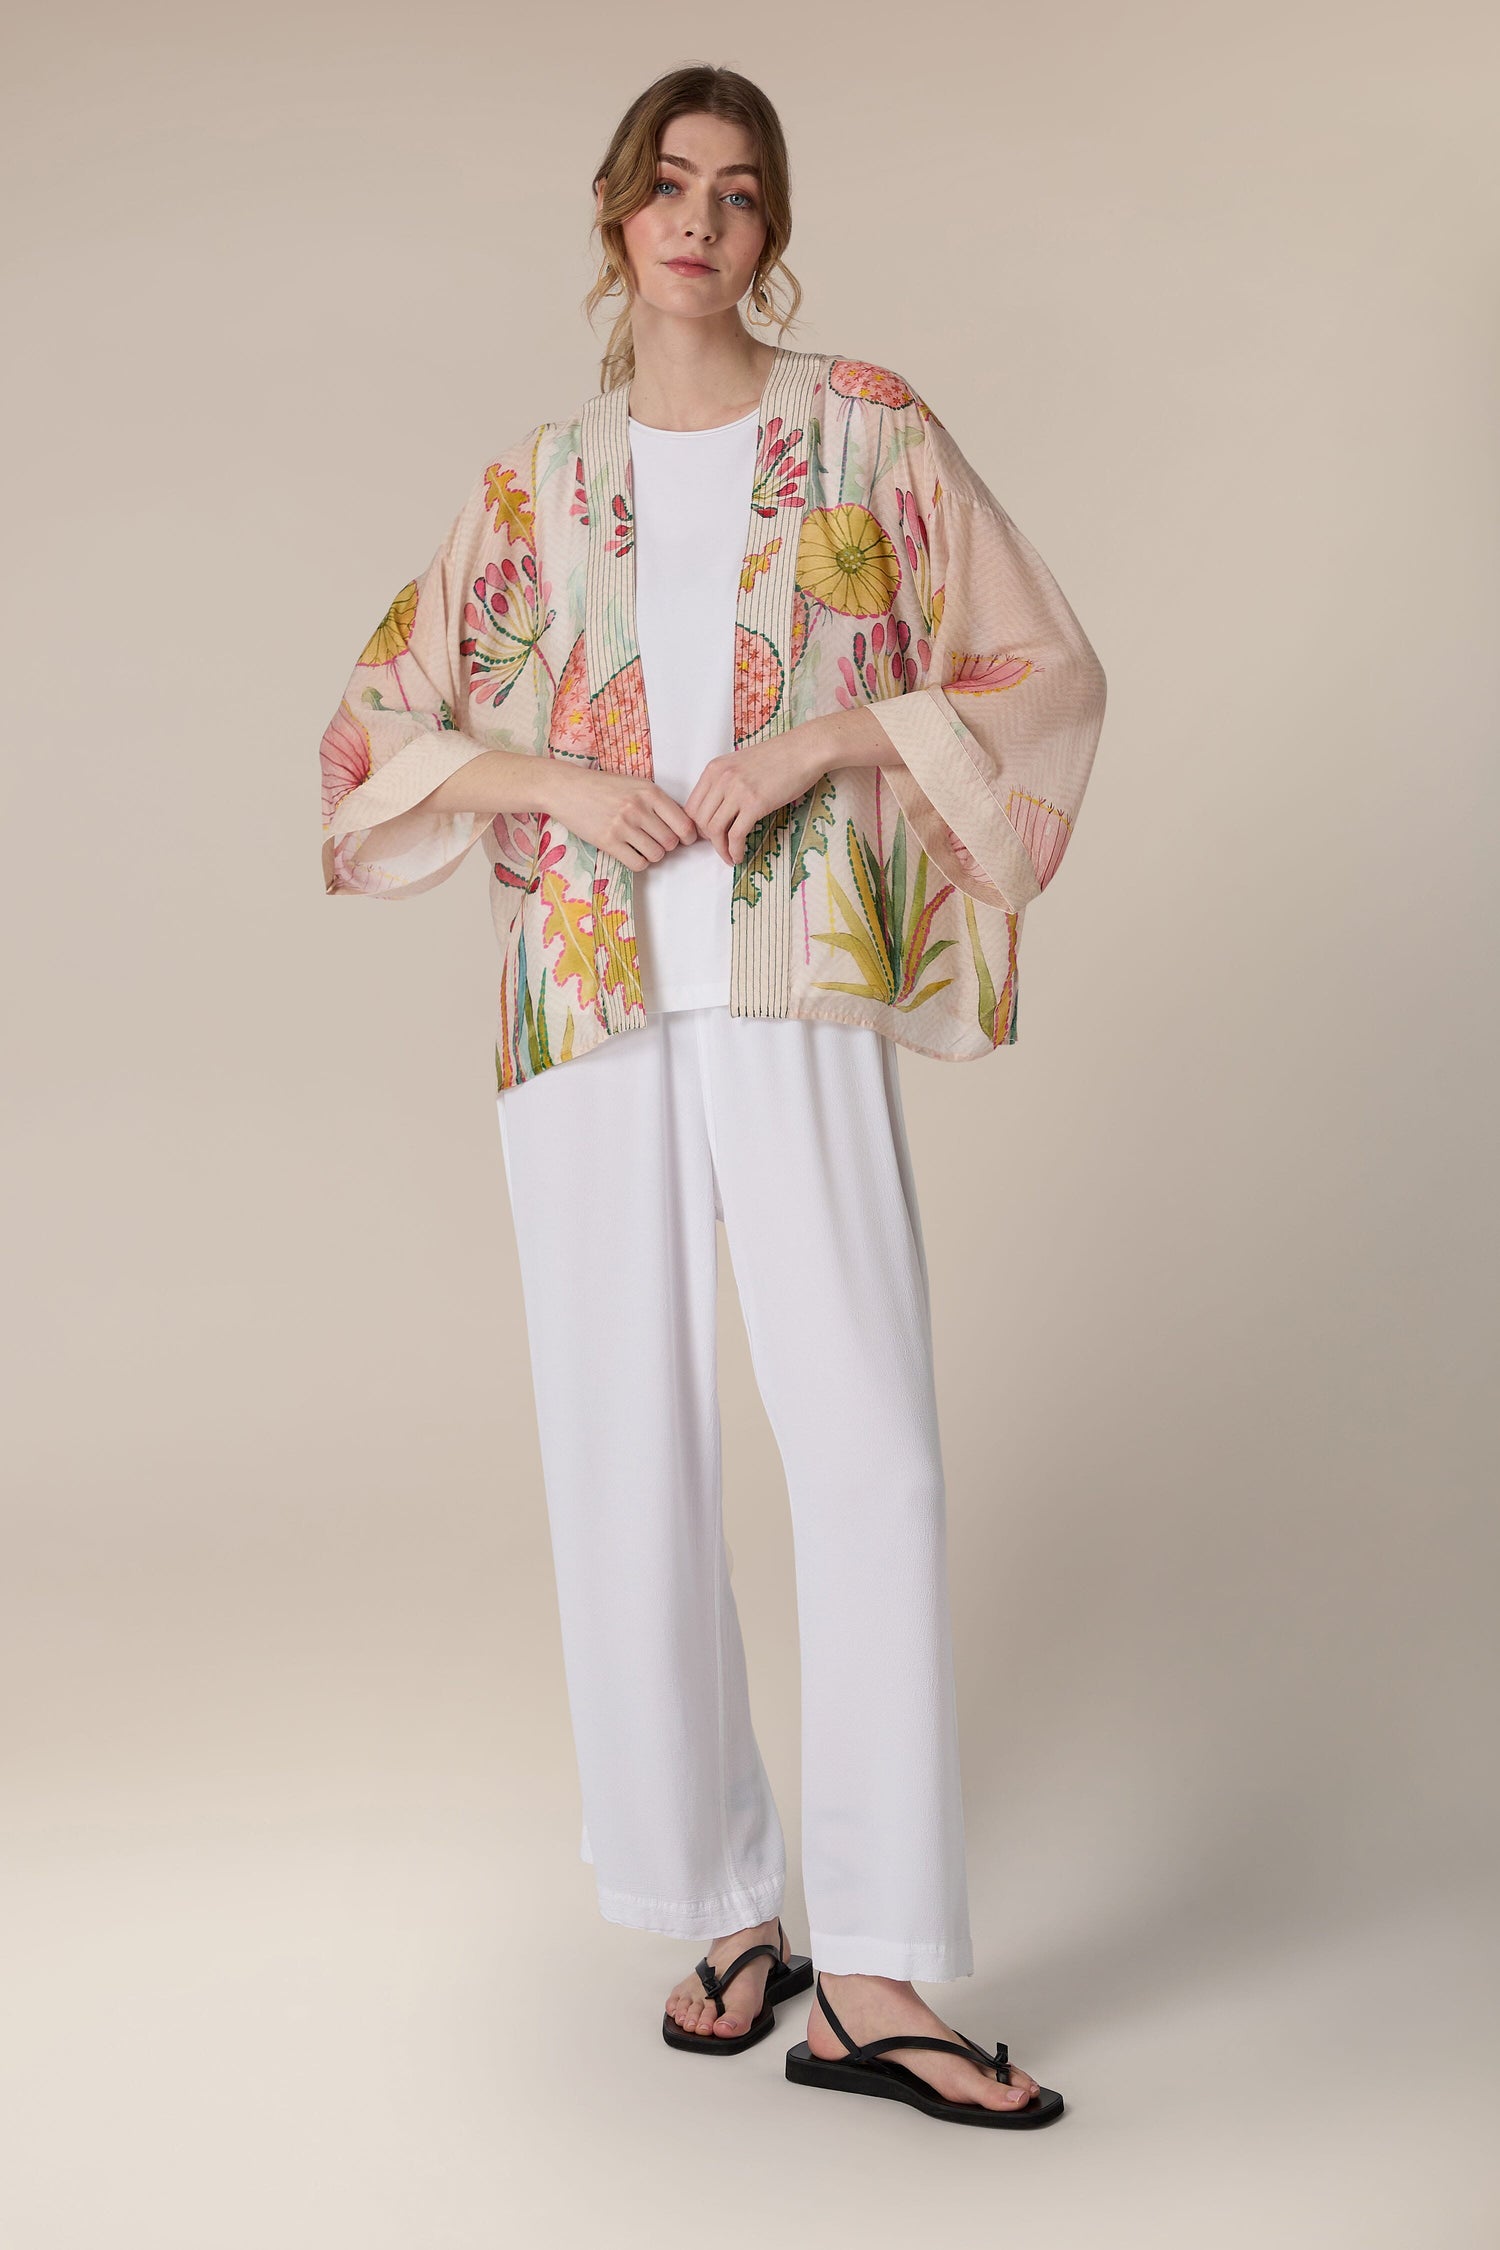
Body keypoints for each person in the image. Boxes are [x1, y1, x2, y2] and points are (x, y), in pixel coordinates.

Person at [319, 64, 1106, 2129]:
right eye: (668, 182)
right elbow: (372, 736)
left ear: (773, 233)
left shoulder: (867, 429)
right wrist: (557, 779)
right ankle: (729, 1898)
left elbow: (1041, 679)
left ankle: (878, 1968)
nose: (701, 219)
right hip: (584, 994)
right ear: (616, 215)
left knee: (870, 1445)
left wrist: (835, 734)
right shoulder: (531, 494)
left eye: (740, 192)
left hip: (791, 981)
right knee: (624, 1449)